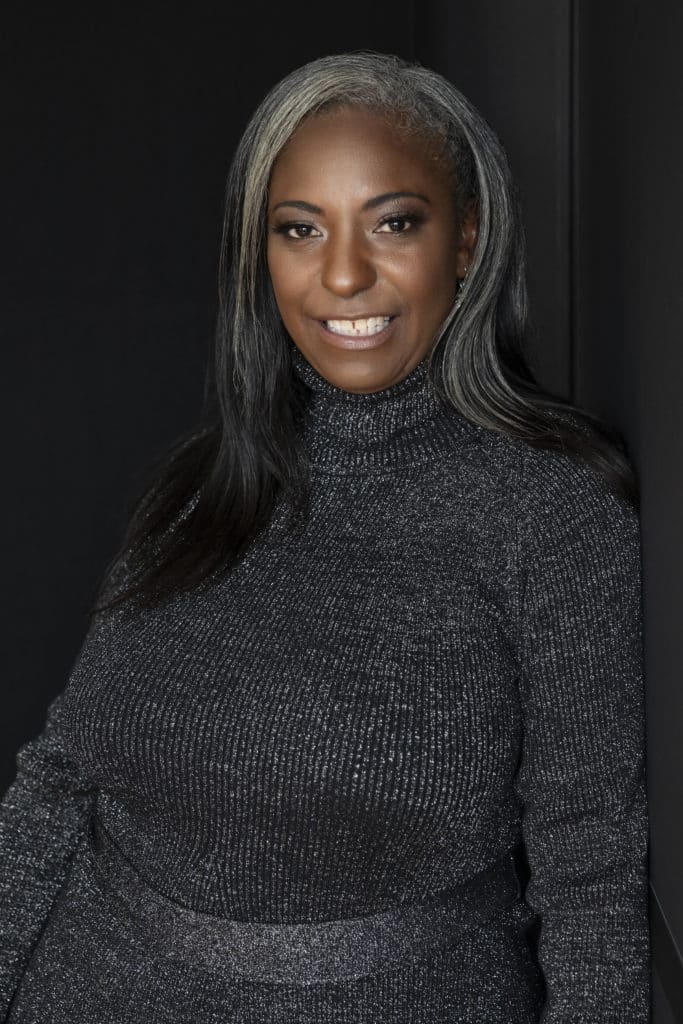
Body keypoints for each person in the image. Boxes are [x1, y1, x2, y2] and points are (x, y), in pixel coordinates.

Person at [0, 51, 649, 1023]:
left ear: (466, 240)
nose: (343, 274)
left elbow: (590, 867)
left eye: (394, 222)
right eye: (299, 229)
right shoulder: (198, 486)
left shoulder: (550, 514)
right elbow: (59, 780)